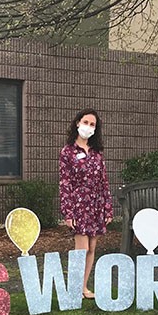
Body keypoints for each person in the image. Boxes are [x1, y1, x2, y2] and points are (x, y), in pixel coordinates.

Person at [59, 108, 113, 299]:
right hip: (78, 205)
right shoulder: (67, 152)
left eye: (92, 124)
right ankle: (74, 289)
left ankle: (83, 287)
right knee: (81, 249)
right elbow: (65, 183)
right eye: (86, 122)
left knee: (91, 248)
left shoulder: (97, 153)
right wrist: (68, 212)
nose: (88, 127)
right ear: (77, 123)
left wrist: (107, 208)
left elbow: (104, 182)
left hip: (96, 205)